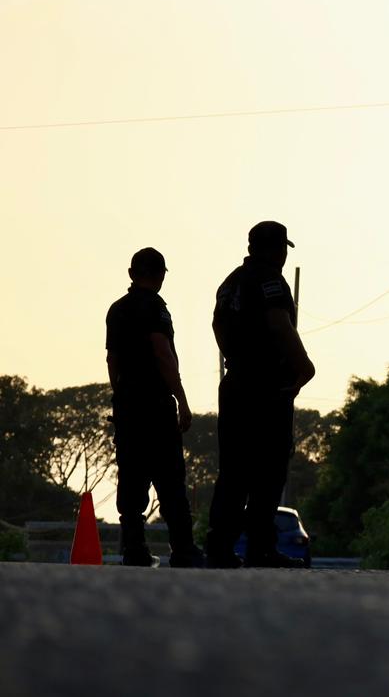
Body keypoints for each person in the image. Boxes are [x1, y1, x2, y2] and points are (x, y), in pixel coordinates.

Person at [205, 221, 315, 569]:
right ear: (278, 249)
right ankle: (261, 548)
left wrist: (236, 358)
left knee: (234, 469)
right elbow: (279, 323)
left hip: (236, 381)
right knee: (269, 469)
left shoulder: (231, 283)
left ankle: (220, 547)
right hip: (266, 386)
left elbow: (217, 325)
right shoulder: (271, 281)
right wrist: (304, 367)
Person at [104, 247, 204, 568]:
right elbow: (163, 353)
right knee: (170, 478)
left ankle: (134, 549)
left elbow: (112, 359)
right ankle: (184, 550)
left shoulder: (116, 310)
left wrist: (120, 395)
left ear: (132, 274)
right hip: (155, 405)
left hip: (128, 405)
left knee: (131, 478)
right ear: (160, 276)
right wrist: (182, 400)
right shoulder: (156, 308)